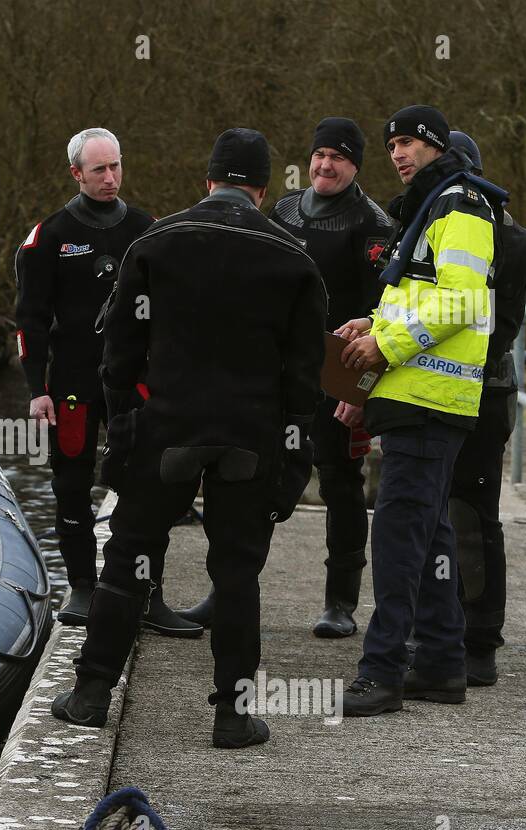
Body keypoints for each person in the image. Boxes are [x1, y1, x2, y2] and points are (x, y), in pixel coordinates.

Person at [50, 128, 327, 747]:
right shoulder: (293, 258)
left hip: (165, 430)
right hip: (249, 437)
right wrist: (292, 456)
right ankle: (232, 714)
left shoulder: (155, 244)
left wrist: (124, 427)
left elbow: (117, 353)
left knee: (127, 564)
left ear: (208, 181)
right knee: (236, 574)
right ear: (260, 188)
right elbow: (305, 379)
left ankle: (91, 693)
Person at [179, 118, 394, 639]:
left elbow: (386, 312)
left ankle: (340, 601)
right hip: (272, 371)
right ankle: (225, 590)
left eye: (338, 157)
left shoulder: (373, 224)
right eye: (319, 155)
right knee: (247, 478)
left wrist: (363, 392)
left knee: (342, 486)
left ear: (356, 165)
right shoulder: (283, 209)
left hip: (336, 375)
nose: (325, 165)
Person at [333, 106, 498, 716]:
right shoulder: (434, 205)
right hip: (415, 396)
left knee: (400, 536)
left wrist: (386, 344)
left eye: (407, 143)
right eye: (391, 145)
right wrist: (371, 326)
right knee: (428, 533)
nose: (397, 154)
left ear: (434, 145)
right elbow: (420, 299)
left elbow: (462, 302)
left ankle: (382, 672)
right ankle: (439, 664)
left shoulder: (460, 205)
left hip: (430, 398)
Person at [16, 128, 199, 638]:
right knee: (71, 484)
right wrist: (37, 389)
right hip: (72, 383)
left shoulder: (147, 230)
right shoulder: (49, 236)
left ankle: (148, 595)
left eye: (115, 166)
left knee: (147, 487)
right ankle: (81, 586)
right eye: (98, 169)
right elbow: (29, 320)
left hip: (135, 384)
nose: (110, 177)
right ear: (76, 174)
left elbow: (173, 311)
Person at [443, 130, 526, 686]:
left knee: (473, 515)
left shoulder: (515, 244)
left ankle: (479, 638)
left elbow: (494, 332)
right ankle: (442, 627)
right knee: (434, 515)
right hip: (436, 386)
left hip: (483, 390)